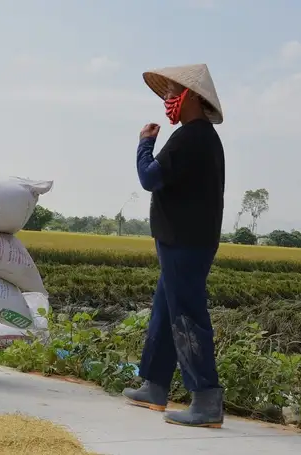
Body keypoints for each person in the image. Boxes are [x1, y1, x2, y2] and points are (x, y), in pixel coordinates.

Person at [122, 64, 226, 428]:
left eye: (172, 93)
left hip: (185, 241)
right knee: (166, 312)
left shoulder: (190, 138)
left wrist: (144, 144)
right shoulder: (199, 137)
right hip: (184, 239)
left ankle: (206, 399)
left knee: (186, 315)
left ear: (192, 97)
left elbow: (150, 178)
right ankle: (155, 384)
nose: (167, 100)